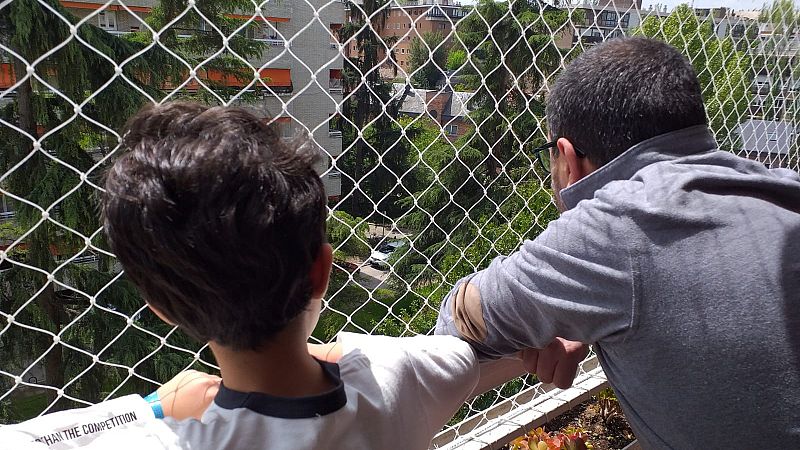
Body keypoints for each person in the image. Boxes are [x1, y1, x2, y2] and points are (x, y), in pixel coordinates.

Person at [435, 36, 800, 448]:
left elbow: (461, 318)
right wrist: (591, 313)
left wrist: (578, 302)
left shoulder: (619, 223)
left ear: (568, 158)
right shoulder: (780, 190)